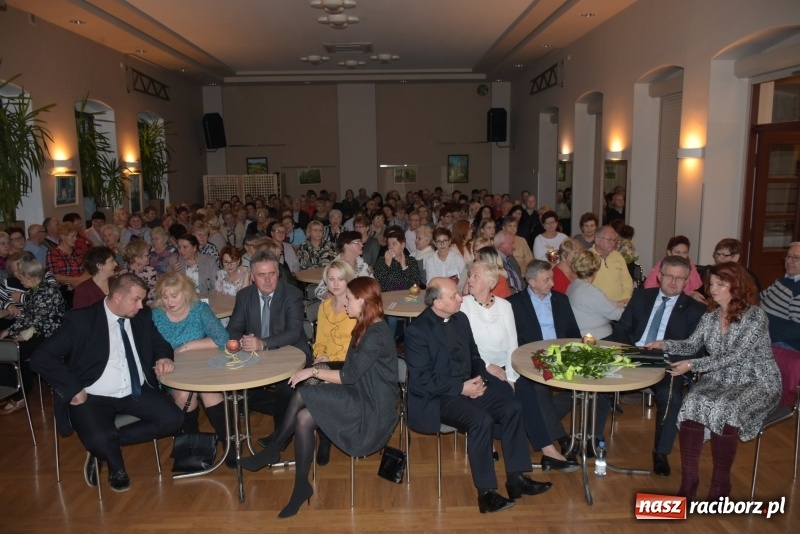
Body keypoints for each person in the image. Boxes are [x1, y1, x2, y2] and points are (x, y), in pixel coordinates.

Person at [240, 277, 399, 519]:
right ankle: (300, 485)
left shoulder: (376, 334)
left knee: (304, 390)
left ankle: (273, 449)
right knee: (304, 417)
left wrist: (314, 371)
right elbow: (354, 369)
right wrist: (325, 375)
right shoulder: (364, 325)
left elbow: (349, 375)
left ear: (363, 302)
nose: (345, 302)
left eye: (350, 298)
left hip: (372, 407)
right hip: (360, 391)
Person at [405, 277, 552, 513]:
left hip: (469, 386)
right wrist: (461, 388)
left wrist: (478, 380)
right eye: (453, 295)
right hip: (438, 397)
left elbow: (474, 356)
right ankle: (486, 493)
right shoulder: (417, 331)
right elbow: (422, 379)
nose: (460, 298)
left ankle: (516, 478)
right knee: (481, 420)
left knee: (513, 407)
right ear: (437, 302)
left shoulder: (461, 319)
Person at [30, 274, 183, 492]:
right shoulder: (82, 321)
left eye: (143, 300)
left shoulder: (141, 316)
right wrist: (73, 388)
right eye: (136, 300)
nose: (141, 305)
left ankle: (103, 447)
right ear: (118, 297)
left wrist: (164, 357)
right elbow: (41, 358)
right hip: (93, 395)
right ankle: (116, 467)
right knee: (100, 436)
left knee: (173, 419)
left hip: (135, 391)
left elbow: (159, 343)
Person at [648, 262, 781, 501]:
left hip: (756, 380)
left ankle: (720, 487)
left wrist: (692, 365)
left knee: (724, 409)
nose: (713, 289)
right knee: (691, 405)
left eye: (721, 284)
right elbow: (691, 345)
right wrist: (665, 344)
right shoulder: (710, 316)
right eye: (711, 283)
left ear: (737, 286)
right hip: (720, 377)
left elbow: (736, 356)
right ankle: (689, 482)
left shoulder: (755, 316)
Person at [611, 255, 706, 476]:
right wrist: (631, 351)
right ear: (660, 276)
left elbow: (696, 350)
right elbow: (621, 329)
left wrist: (667, 352)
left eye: (679, 278)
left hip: (667, 363)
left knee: (672, 395)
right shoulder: (641, 297)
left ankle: (660, 452)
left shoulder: (695, 310)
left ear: (686, 281)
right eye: (669, 276)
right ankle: (592, 439)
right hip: (631, 355)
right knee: (595, 379)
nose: (673, 282)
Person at [507, 261, 598, 468]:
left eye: (551, 278)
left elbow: (573, 334)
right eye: (546, 279)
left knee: (586, 387)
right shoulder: (513, 304)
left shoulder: (560, 300)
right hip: (532, 359)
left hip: (562, 356)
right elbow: (511, 340)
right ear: (531, 282)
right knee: (538, 389)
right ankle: (562, 437)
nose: (552, 283)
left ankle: (544, 425)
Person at [151, 272, 234, 467]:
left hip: (201, 366)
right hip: (172, 369)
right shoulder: (156, 315)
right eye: (165, 296)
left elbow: (223, 339)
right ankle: (192, 442)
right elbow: (149, 346)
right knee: (183, 395)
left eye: (174, 295)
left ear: (186, 293)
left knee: (209, 393)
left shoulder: (199, 309)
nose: (169, 301)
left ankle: (228, 442)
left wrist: (187, 346)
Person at [227, 250, 312, 439]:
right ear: (252, 277)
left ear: (278, 273)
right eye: (261, 275)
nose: (267, 280)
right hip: (257, 355)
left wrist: (262, 343)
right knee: (233, 389)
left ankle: (279, 438)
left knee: (285, 388)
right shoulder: (244, 296)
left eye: (271, 274)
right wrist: (244, 341)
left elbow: (293, 332)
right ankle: (292, 411)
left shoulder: (292, 294)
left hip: (291, 352)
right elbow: (233, 329)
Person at [0, 254, 66, 415]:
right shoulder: (36, 290)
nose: (20, 281)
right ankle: (14, 390)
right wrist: (13, 332)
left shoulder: (47, 291)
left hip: (51, 335)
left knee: (15, 351)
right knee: (8, 347)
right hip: (38, 331)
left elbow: (33, 320)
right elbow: (30, 319)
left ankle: (20, 395)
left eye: (21, 277)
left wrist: (9, 331)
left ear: (29, 277)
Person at [566, 250, 624, 339]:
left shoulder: (573, 285)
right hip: (597, 338)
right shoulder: (589, 291)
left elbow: (599, 304)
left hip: (582, 334)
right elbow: (616, 315)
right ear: (595, 271)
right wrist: (633, 309)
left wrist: (619, 304)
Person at [759, 241, 800, 350]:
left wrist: (762, 328)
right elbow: (760, 297)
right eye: (788, 256)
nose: (789, 261)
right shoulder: (785, 278)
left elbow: (796, 329)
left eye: (796, 258)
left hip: (784, 344)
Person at [313, 231, 374, 300]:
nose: (362, 245)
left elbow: (373, 284)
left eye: (361, 242)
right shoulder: (336, 266)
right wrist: (326, 294)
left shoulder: (361, 263)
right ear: (346, 245)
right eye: (357, 242)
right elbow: (319, 290)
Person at [590, 225, 633, 303]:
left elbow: (627, 280)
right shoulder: (587, 257)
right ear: (597, 240)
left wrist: (624, 300)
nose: (613, 243)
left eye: (615, 240)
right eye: (609, 240)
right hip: (596, 305)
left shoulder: (618, 256)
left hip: (619, 304)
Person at [45, 222, 89, 289]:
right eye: (72, 236)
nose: (75, 239)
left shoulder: (79, 251)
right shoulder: (52, 253)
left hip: (83, 287)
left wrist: (79, 281)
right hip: (64, 290)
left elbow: (89, 269)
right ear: (63, 237)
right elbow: (55, 276)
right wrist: (77, 280)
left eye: (76, 236)